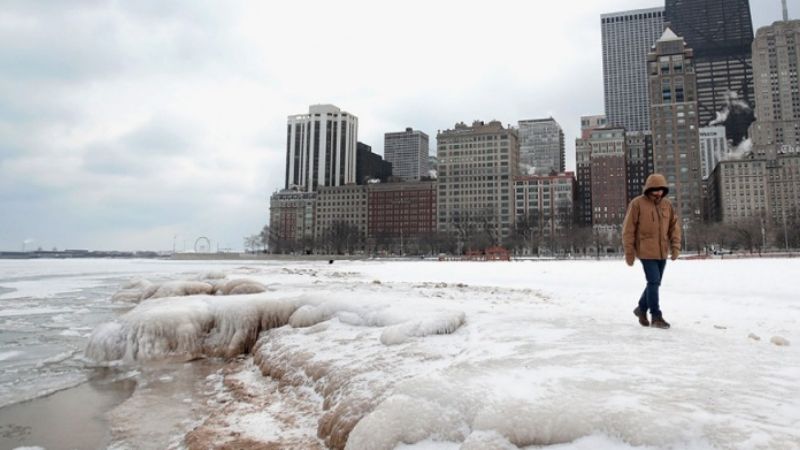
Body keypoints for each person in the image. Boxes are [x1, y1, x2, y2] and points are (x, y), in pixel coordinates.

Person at [622, 173, 681, 329]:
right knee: (654, 281)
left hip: (662, 251)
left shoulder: (667, 205)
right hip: (646, 250)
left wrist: (675, 246)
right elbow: (628, 229)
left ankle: (641, 308)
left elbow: (674, 227)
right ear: (648, 189)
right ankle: (656, 316)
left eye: (661, 190)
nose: (658, 193)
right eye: (655, 189)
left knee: (654, 283)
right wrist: (629, 252)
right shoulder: (637, 204)